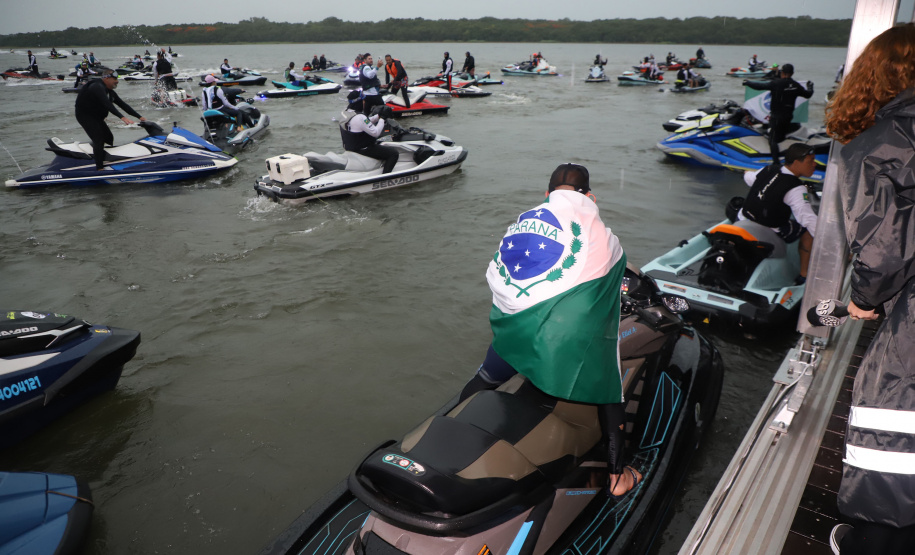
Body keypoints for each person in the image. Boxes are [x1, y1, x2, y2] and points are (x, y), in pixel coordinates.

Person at [461, 163, 640, 497]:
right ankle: (618, 476)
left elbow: (505, 271)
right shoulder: (601, 232)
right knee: (610, 386)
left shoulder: (526, 219)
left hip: (516, 327)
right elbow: (606, 289)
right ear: (591, 196)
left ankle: (456, 423)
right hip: (562, 339)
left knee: (488, 374)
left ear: (547, 193)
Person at [822, 23, 915, 555]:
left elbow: (885, 243)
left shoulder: (881, 138)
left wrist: (861, 298)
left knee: (890, 424)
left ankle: (874, 542)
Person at [736, 143, 818, 283]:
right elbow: (807, 219)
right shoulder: (796, 188)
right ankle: (804, 275)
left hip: (742, 219)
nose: (815, 164)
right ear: (797, 162)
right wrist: (828, 243)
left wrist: (745, 172)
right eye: (810, 161)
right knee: (807, 231)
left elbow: (749, 178)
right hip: (768, 230)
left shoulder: (768, 169)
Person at [74, 72, 146, 171]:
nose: (117, 82)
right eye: (114, 79)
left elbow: (123, 105)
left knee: (108, 138)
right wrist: (122, 117)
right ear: (106, 78)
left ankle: (101, 156)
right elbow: (107, 103)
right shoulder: (96, 86)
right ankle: (99, 168)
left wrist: (140, 117)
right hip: (86, 116)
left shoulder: (110, 92)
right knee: (98, 139)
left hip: (97, 117)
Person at [744, 63, 814, 163]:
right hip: (788, 117)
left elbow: (760, 86)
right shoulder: (795, 85)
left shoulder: (776, 83)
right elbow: (808, 95)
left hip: (777, 117)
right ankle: (786, 158)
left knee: (773, 140)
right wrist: (810, 87)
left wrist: (748, 82)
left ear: (782, 72)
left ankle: (776, 163)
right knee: (781, 138)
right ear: (792, 73)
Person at [341, 105, 399, 174]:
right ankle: (385, 178)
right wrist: (382, 119)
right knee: (393, 153)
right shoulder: (360, 117)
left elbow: (364, 122)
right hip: (363, 148)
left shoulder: (346, 112)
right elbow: (376, 133)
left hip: (350, 147)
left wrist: (377, 116)